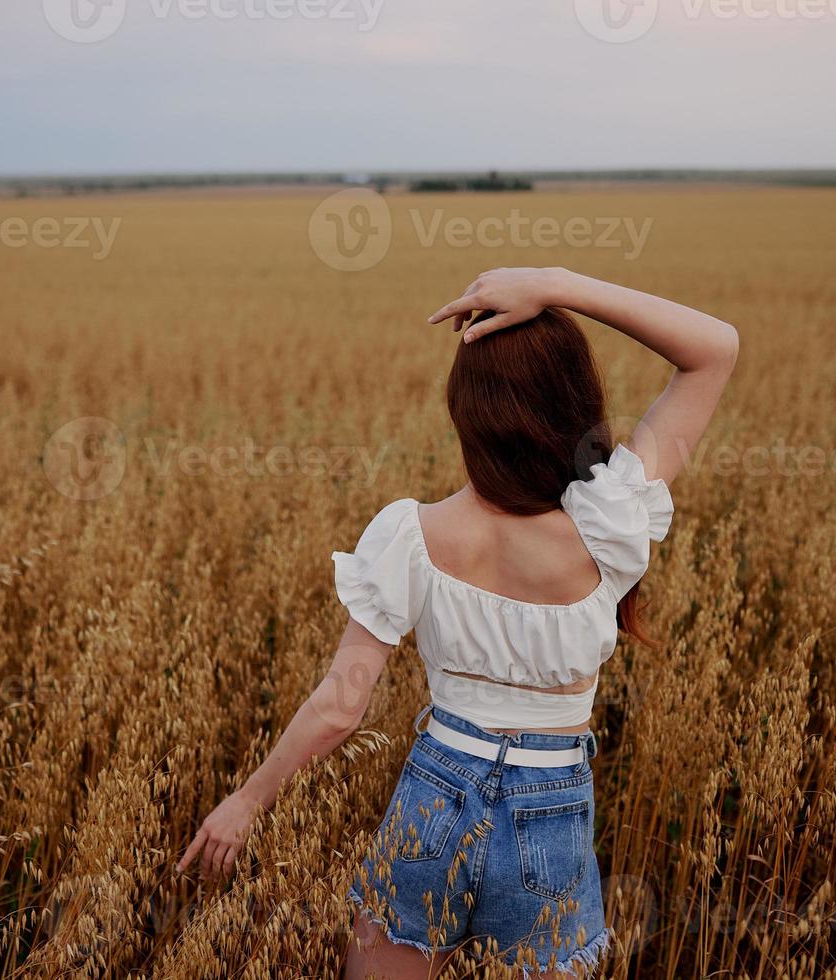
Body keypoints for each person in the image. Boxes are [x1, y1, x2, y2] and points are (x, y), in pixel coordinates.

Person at [177, 266, 738, 977]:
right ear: (574, 402)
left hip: (432, 799)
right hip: (553, 809)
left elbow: (342, 705)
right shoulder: (613, 517)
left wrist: (246, 802)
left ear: (464, 410)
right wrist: (556, 285)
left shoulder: (410, 534)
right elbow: (714, 347)